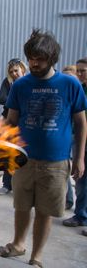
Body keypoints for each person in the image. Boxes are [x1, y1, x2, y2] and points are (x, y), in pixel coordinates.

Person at [0, 29, 87, 268]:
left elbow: (80, 122)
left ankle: (36, 256)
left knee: (44, 211)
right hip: (23, 159)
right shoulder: (21, 85)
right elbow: (12, 119)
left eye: (40, 59)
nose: (34, 63)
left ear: (52, 58)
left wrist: (79, 157)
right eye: (31, 58)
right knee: (21, 206)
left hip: (55, 162)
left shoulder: (70, 84)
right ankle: (18, 244)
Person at [63, 58, 87, 237]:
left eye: (83, 71)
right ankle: (81, 215)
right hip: (78, 141)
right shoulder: (78, 89)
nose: (79, 74)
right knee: (81, 180)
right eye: (78, 71)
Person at [0, 58, 27, 195]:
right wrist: (17, 98)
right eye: (11, 71)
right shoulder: (7, 82)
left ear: (23, 69)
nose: (14, 73)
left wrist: (12, 99)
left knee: (23, 155)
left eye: (16, 70)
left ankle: (21, 186)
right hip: (8, 121)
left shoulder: (30, 82)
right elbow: (1, 99)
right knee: (8, 153)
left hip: (25, 123)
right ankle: (6, 184)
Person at [62, 65, 78, 210]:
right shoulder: (62, 94)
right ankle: (68, 199)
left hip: (76, 136)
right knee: (65, 169)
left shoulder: (78, 94)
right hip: (65, 137)